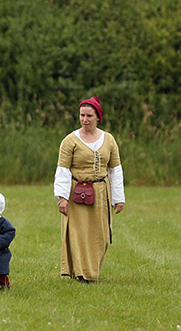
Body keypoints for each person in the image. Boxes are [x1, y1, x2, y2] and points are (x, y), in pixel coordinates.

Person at [54, 96, 125, 283]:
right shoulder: (70, 141)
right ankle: (82, 273)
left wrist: (119, 198)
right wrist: (62, 198)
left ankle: (92, 270)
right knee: (79, 234)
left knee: (99, 234)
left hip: (101, 192)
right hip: (77, 191)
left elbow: (115, 170)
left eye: (89, 116)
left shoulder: (108, 139)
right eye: (82, 115)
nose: (85, 119)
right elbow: (62, 170)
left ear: (98, 117)